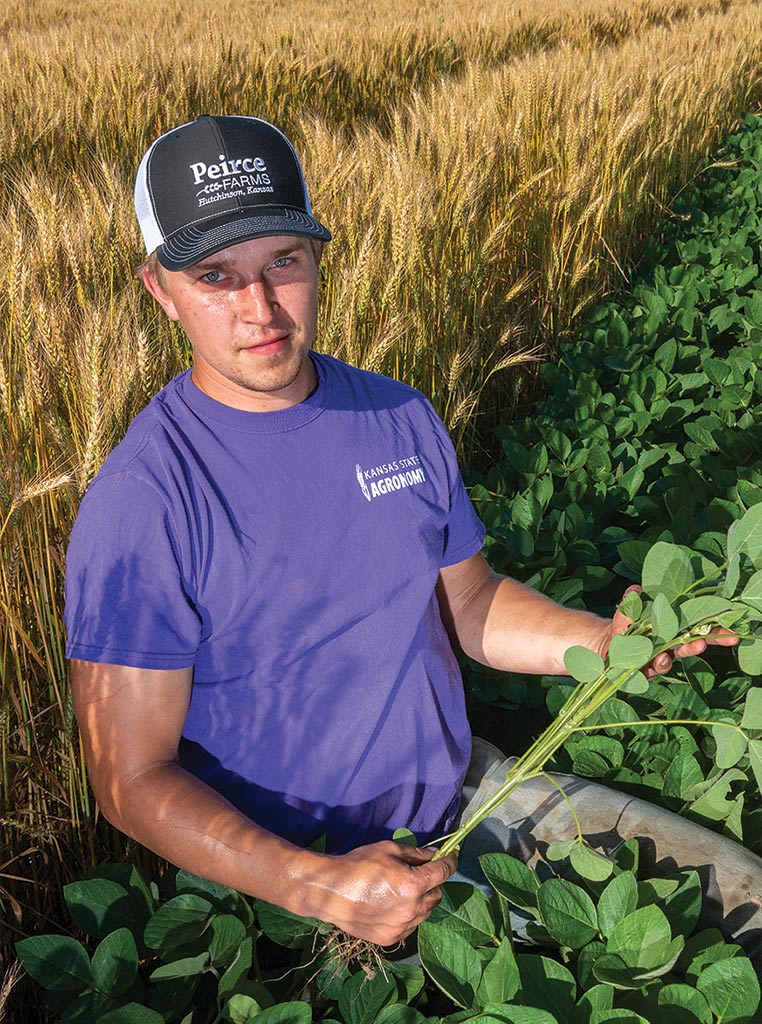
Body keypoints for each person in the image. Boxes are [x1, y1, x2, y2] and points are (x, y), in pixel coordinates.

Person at [64, 115, 741, 950]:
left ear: (316, 260)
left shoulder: (398, 415)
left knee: (744, 906)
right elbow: (129, 779)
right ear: (160, 290)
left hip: (468, 798)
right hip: (280, 885)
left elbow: (475, 604)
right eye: (215, 275)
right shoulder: (144, 502)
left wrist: (606, 641)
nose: (260, 308)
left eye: (283, 261)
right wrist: (315, 885)